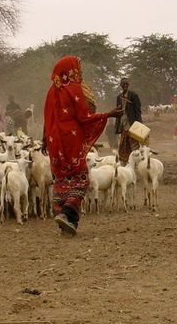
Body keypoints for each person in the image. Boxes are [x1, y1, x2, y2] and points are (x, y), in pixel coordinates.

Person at [42, 56, 123, 236]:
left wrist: (44, 139)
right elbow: (84, 117)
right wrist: (108, 114)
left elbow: (47, 117)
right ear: (71, 70)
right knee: (81, 177)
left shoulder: (52, 91)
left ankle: (67, 221)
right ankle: (67, 212)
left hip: (54, 140)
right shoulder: (74, 89)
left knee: (61, 177)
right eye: (77, 68)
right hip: (70, 138)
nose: (79, 72)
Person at [114, 77, 143, 164]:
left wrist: (139, 124)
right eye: (124, 84)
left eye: (127, 84)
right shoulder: (119, 97)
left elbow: (138, 111)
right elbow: (117, 112)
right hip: (123, 124)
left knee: (134, 144)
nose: (125, 85)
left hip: (132, 124)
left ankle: (137, 162)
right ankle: (126, 162)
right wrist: (117, 125)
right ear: (121, 85)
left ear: (128, 85)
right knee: (124, 144)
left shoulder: (133, 95)